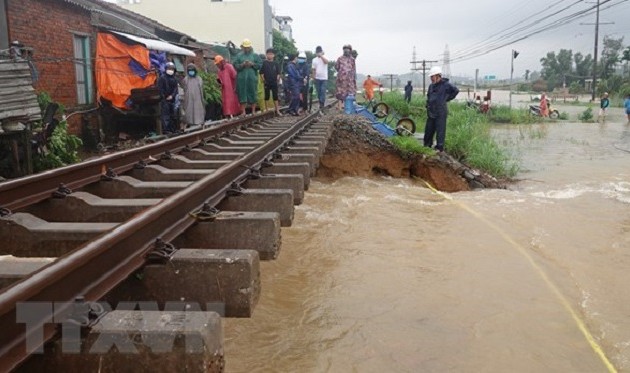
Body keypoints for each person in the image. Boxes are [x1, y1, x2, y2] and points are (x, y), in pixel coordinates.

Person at [423, 66, 459, 152]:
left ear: (438, 76)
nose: (431, 78)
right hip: (431, 111)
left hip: (440, 112)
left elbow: (456, 91)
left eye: (432, 77)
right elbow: (429, 96)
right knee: (428, 130)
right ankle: (427, 146)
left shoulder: (446, 85)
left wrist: (447, 99)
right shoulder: (431, 86)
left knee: (440, 131)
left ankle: (439, 148)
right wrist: (428, 104)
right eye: (431, 77)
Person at [233, 39, 262, 115]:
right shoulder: (238, 56)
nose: (246, 49)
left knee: (253, 92)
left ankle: (253, 111)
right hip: (241, 79)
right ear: (242, 47)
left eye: (248, 47)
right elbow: (235, 65)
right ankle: (243, 111)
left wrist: (252, 64)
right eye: (245, 47)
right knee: (242, 93)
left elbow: (259, 65)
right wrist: (242, 65)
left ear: (250, 47)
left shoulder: (255, 55)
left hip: (252, 78)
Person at [158, 61, 179, 134]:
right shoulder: (162, 78)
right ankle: (166, 130)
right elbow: (160, 89)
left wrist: (172, 96)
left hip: (172, 99)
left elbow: (176, 89)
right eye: (169, 68)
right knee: (165, 115)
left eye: (172, 69)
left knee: (173, 115)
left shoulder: (174, 79)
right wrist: (164, 97)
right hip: (165, 100)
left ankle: (173, 129)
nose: (171, 70)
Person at [335, 44, 356, 110]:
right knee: (340, 94)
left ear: (350, 50)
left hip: (350, 80)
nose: (346, 50)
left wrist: (353, 79)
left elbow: (353, 69)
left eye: (348, 49)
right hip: (341, 80)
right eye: (345, 49)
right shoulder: (340, 58)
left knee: (350, 93)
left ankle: (348, 108)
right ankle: (340, 108)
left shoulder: (352, 59)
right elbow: (336, 67)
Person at [260, 48, 281, 115]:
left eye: (271, 54)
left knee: (275, 96)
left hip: (274, 82)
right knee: (266, 96)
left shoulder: (276, 63)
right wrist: (263, 80)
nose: (270, 55)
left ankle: (277, 110)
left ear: (273, 55)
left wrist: (277, 79)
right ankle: (266, 110)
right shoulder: (264, 63)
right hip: (267, 82)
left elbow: (278, 73)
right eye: (268, 54)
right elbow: (261, 73)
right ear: (266, 55)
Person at [311, 46, 329, 110]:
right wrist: (313, 77)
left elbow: (326, 62)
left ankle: (322, 104)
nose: (318, 53)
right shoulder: (314, 60)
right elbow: (313, 69)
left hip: (324, 78)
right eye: (317, 52)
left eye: (319, 52)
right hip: (317, 78)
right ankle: (320, 102)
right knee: (319, 92)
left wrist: (321, 56)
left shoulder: (325, 57)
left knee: (323, 91)